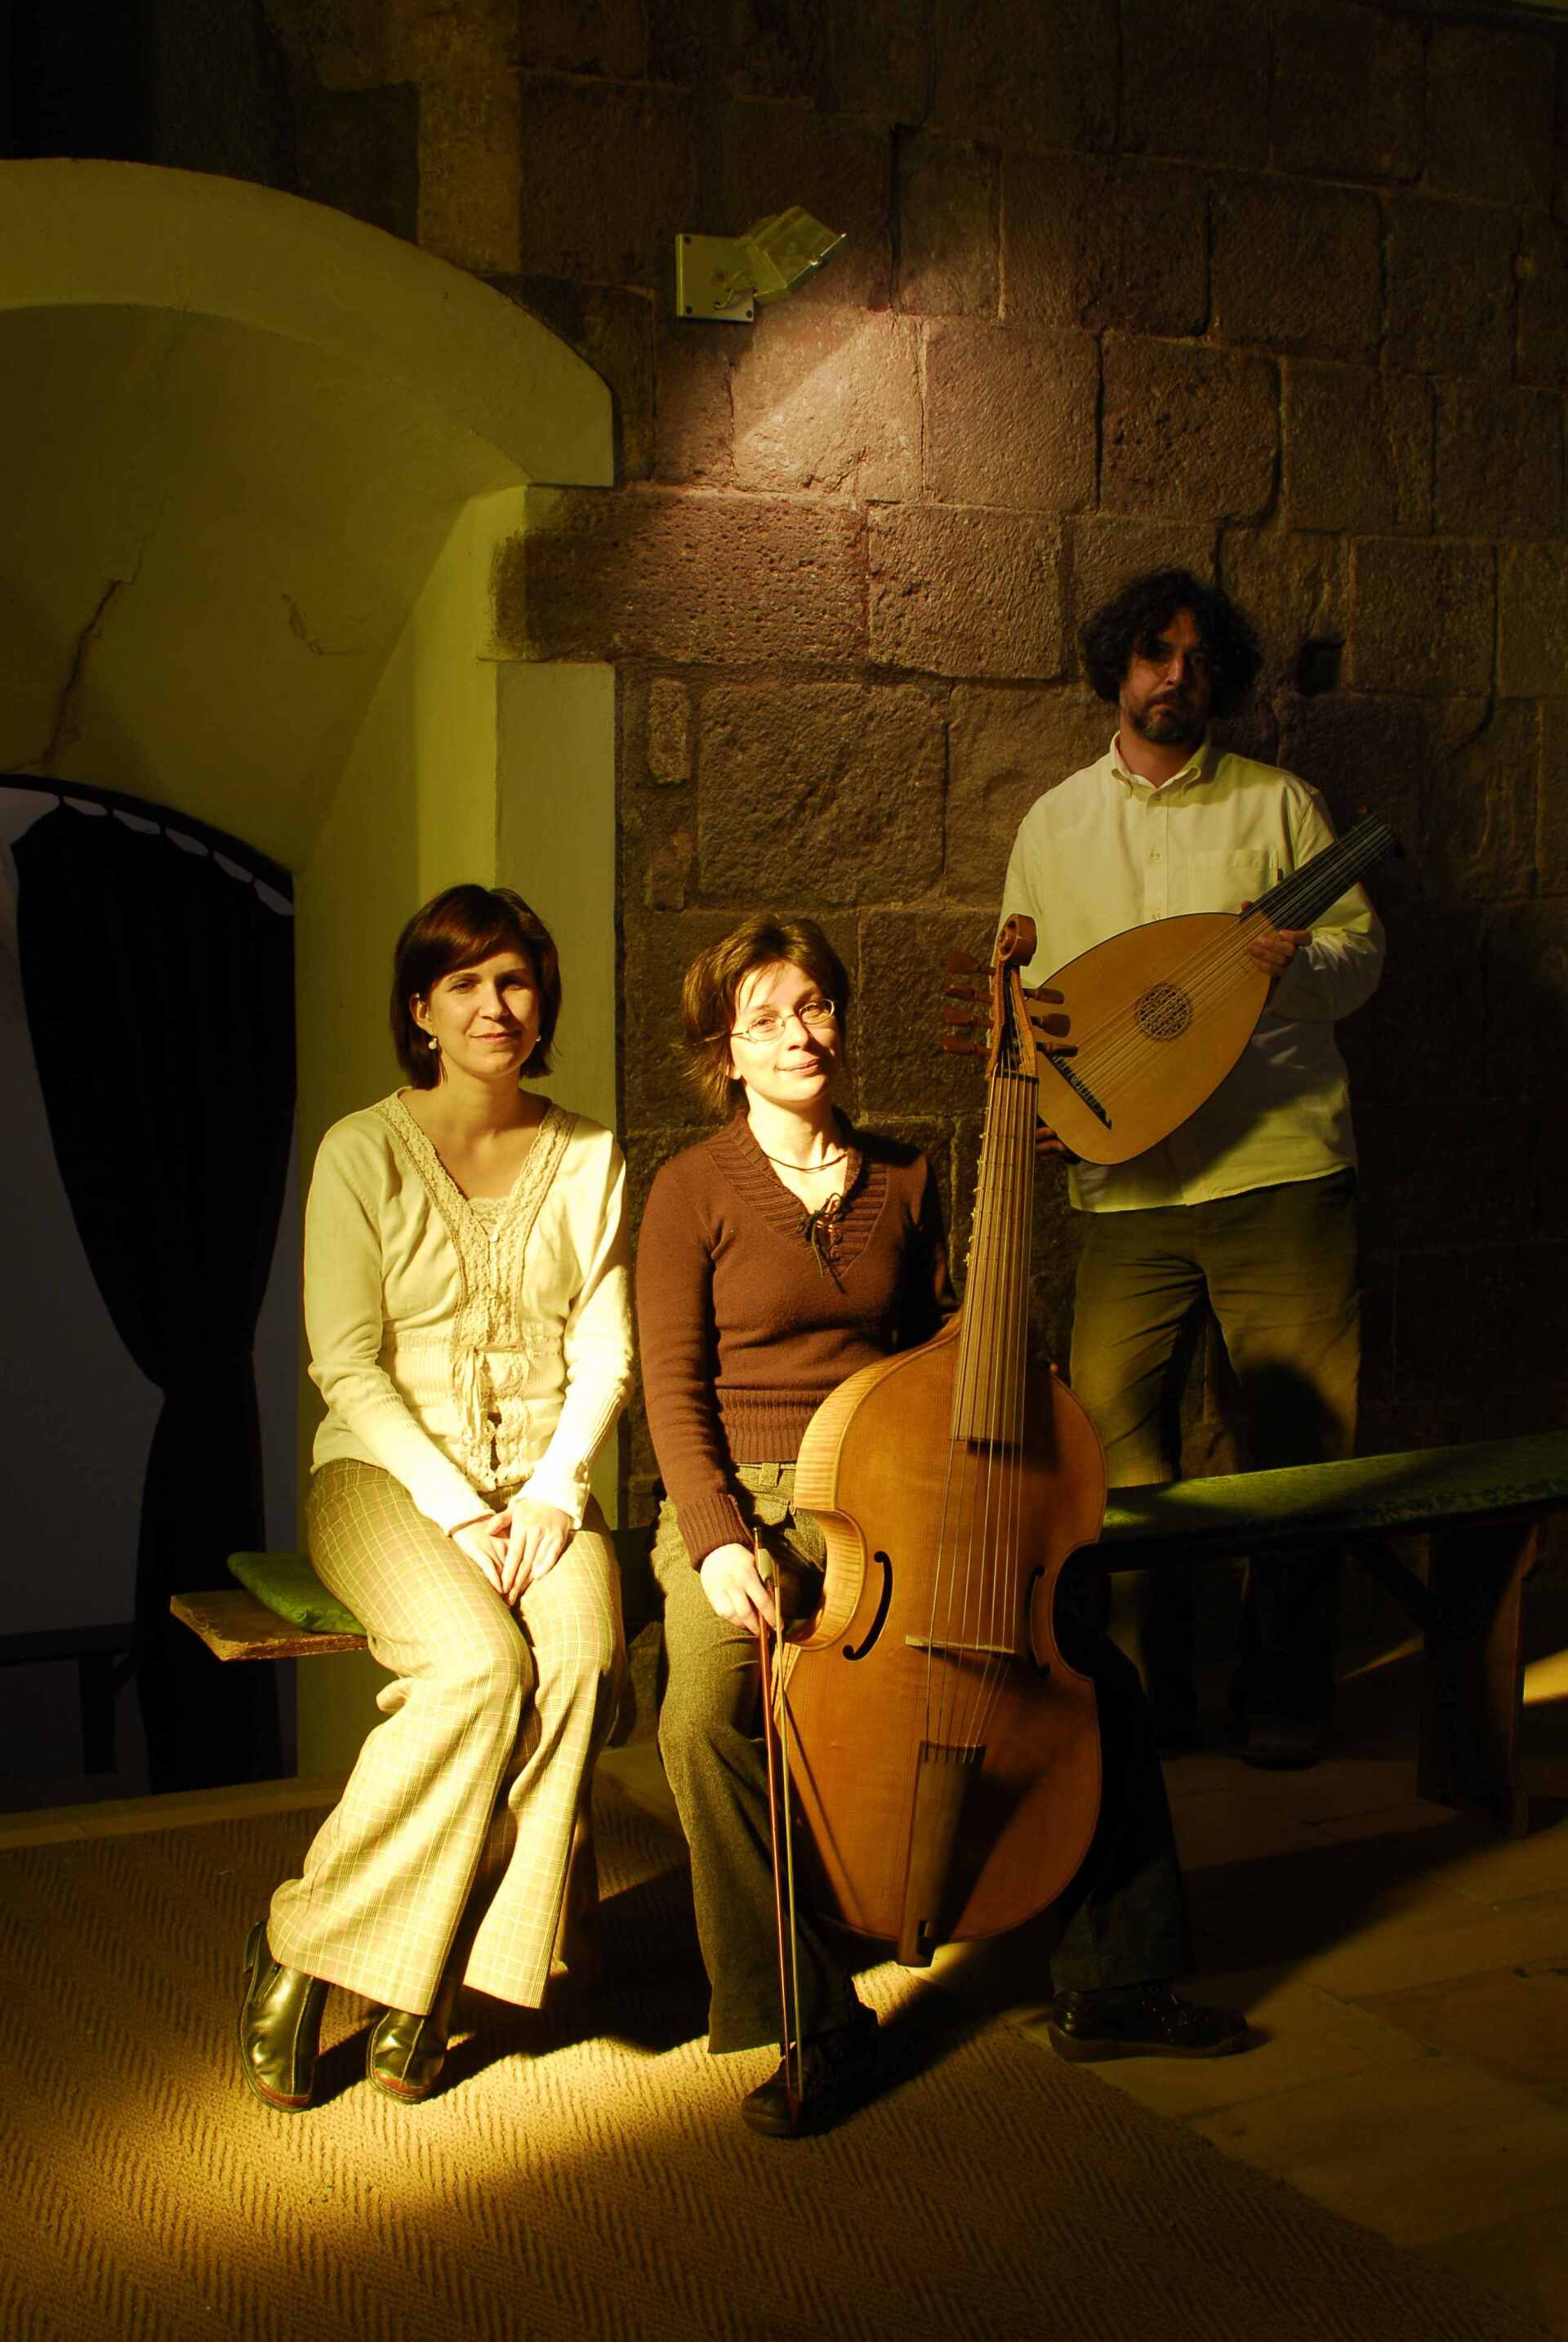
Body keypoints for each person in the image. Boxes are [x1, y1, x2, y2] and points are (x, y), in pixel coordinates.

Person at [635, 912, 1246, 2140]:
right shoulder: (690, 1189)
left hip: (891, 1485)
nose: (798, 1035)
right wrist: (714, 1539)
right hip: (750, 1498)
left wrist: (996, 1315)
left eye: (815, 1006)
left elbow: (937, 1340)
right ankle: (813, 2020)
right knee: (704, 1716)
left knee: (1094, 1681)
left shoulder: (908, 1175)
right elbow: (672, 1386)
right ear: (726, 1051)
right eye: (765, 1018)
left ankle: (1115, 1979)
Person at [239, 884, 632, 2111]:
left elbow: (605, 1351)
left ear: (542, 1005)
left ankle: (440, 1970)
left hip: (544, 1489)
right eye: (465, 983)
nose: (493, 1006)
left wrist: (557, 1491)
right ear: (421, 1010)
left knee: (583, 1659)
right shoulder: (360, 1151)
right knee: (479, 1669)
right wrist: (459, 1509)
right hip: (384, 1482)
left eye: (514, 981)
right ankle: (306, 1940)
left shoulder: (590, 1156)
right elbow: (346, 1363)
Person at [1000, 569, 1384, 1769]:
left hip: (1279, 1167)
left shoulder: (1282, 807)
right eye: (1155, 653)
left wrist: (1289, 968)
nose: (1176, 675)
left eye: (1198, 658)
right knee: (1116, 1451)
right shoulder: (1055, 825)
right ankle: (1143, 1698)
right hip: (1130, 1189)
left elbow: (1362, 957)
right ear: (1118, 667)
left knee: (1300, 1445)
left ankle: (1285, 1695)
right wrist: (1051, 1101)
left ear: (1221, 676)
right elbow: (1033, 1002)